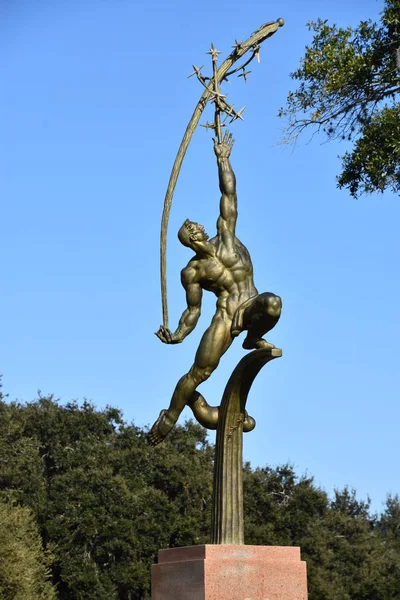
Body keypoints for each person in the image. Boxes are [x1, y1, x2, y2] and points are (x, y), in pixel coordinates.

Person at [148, 131, 281, 446]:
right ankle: (169, 418)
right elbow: (193, 310)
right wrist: (179, 334)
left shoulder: (226, 235)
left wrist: (223, 158)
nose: (198, 225)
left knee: (273, 303)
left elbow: (229, 193)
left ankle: (253, 337)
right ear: (191, 237)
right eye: (193, 227)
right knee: (198, 372)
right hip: (224, 315)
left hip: (251, 303)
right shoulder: (192, 272)